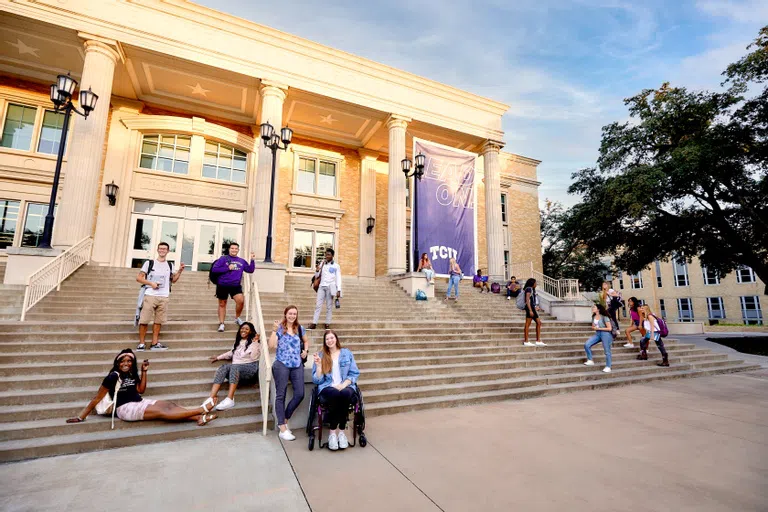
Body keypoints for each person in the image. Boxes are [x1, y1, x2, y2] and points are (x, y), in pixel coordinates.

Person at [66, 349, 217, 426]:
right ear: (117, 363)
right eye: (123, 361)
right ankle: (200, 410)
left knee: (168, 405)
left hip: (138, 401)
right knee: (162, 411)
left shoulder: (132, 374)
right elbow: (97, 398)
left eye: (129, 361)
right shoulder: (113, 376)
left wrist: (144, 371)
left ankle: (198, 418)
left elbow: (141, 390)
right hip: (124, 409)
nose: (126, 363)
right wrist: (81, 417)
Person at [312, 330, 360, 451]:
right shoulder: (321, 355)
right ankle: (333, 434)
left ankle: (341, 433)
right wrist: (318, 366)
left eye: (331, 338)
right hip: (328, 387)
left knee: (343, 393)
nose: (330, 340)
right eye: (327, 339)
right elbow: (317, 381)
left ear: (336, 339)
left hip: (345, 386)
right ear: (325, 341)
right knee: (335, 394)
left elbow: (354, 373)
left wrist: (344, 384)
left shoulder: (346, 353)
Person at [269, 305, 310, 441]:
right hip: (282, 364)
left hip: (297, 364)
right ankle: (282, 427)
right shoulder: (280, 328)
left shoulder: (300, 328)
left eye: (294, 314)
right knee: (281, 394)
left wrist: (305, 351)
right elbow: (272, 345)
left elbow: (305, 341)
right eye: (290, 313)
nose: (292, 316)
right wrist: (274, 331)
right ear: (285, 314)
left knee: (300, 394)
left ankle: (285, 419)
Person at [136, 241, 184, 351]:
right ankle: (142, 343)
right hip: (150, 295)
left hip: (164, 296)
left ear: (168, 251)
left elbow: (173, 280)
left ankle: (154, 343)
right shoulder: (149, 263)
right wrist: (151, 283)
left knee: (158, 321)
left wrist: (180, 271)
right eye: (160, 248)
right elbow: (139, 278)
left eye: (164, 249)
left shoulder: (169, 265)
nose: (162, 250)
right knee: (144, 320)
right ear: (157, 250)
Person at [203, 322, 260, 411]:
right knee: (223, 367)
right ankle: (211, 397)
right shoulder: (238, 342)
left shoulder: (254, 343)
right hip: (237, 370)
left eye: (246, 329)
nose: (243, 330)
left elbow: (254, 357)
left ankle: (230, 399)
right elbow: (231, 353)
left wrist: (255, 342)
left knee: (234, 367)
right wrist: (218, 357)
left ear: (251, 331)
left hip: (250, 369)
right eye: (242, 328)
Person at [210, 242, 256, 333]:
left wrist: (252, 260)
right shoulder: (223, 259)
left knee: (241, 300)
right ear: (229, 249)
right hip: (222, 284)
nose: (234, 250)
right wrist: (227, 268)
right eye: (232, 248)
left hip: (235, 285)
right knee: (222, 304)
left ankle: (237, 317)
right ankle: (222, 323)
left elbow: (250, 270)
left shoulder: (241, 261)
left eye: (236, 248)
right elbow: (215, 269)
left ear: (238, 250)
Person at [309, 248, 342, 330]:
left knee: (329, 306)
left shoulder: (336, 266)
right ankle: (314, 323)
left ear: (332, 256)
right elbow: (317, 276)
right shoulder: (322, 263)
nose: (326, 256)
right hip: (321, 287)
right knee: (318, 305)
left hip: (330, 287)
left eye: (328, 254)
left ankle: (327, 323)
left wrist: (339, 289)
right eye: (326, 254)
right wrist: (317, 271)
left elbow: (338, 278)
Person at [583, 304, 613, 373]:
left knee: (607, 351)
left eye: (594, 307)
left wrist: (599, 328)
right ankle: (590, 360)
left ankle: (608, 366)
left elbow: (609, 328)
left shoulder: (604, 317)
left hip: (605, 334)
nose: (592, 308)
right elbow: (593, 326)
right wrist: (594, 328)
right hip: (598, 333)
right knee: (587, 344)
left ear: (598, 309)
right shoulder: (594, 316)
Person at [522, 278, 546, 347]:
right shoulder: (529, 289)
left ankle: (538, 340)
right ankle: (526, 341)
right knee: (528, 324)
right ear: (532, 283)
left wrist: (535, 307)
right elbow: (527, 300)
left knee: (538, 323)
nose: (536, 284)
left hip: (532, 308)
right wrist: (530, 310)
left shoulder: (531, 289)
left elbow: (532, 300)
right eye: (535, 283)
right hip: (530, 308)